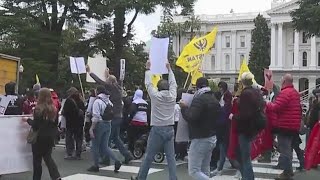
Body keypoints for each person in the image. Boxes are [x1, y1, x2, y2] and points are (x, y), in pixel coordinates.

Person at [131, 61, 177, 180]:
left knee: (148, 156)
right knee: (171, 158)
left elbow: (148, 84)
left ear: (159, 88)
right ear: (168, 87)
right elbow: (174, 84)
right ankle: (173, 178)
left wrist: (148, 69)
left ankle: (141, 178)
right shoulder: (173, 96)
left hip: (157, 128)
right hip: (170, 128)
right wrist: (169, 70)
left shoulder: (155, 96)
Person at [87, 65, 133, 164]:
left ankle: (106, 158)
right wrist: (108, 75)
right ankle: (127, 154)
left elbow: (99, 81)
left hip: (113, 116)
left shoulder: (111, 87)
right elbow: (110, 81)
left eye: (107, 81)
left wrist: (90, 72)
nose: (106, 84)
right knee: (116, 138)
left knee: (106, 139)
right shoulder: (118, 87)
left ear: (110, 83)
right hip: (119, 116)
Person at [180, 77, 221, 180]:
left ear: (197, 87)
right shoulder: (214, 98)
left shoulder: (199, 99)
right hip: (211, 137)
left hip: (200, 138)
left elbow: (191, 117)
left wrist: (184, 107)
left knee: (193, 170)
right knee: (205, 168)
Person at [266, 74, 302, 180]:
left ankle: (287, 173)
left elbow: (276, 107)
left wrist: (267, 103)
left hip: (285, 125)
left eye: (282, 80)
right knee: (288, 149)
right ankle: (288, 171)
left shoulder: (285, 93)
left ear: (284, 81)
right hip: (292, 125)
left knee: (285, 150)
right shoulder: (295, 92)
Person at [230, 72, 264, 180]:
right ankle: (248, 177)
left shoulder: (246, 94)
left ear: (243, 82)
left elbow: (246, 113)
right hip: (253, 127)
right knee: (244, 157)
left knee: (245, 158)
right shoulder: (256, 92)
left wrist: (233, 116)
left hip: (245, 128)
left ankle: (248, 178)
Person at [22, 88, 61, 180]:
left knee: (37, 160)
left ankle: (37, 178)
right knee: (48, 158)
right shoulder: (54, 109)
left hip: (39, 137)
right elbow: (55, 124)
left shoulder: (38, 109)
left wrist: (27, 120)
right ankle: (56, 176)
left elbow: (36, 125)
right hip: (50, 137)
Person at [87, 85, 122, 172]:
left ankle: (95, 165)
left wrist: (91, 128)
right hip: (108, 124)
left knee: (94, 146)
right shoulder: (108, 101)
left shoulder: (97, 101)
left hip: (99, 124)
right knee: (105, 146)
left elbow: (96, 117)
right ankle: (117, 160)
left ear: (98, 91)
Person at [211, 81, 233, 176]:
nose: (219, 88)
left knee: (222, 145)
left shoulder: (226, 96)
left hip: (223, 124)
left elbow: (226, 109)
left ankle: (219, 167)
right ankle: (220, 166)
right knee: (223, 146)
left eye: (220, 87)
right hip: (224, 124)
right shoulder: (224, 95)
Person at [61, 87, 85, 160]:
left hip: (70, 122)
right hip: (79, 123)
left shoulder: (68, 101)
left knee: (69, 138)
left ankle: (69, 153)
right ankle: (78, 154)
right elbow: (83, 110)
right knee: (78, 139)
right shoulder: (81, 101)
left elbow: (65, 112)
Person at [127, 89, 149, 154]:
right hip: (144, 124)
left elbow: (131, 113)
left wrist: (128, 122)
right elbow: (148, 114)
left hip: (135, 124)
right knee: (142, 137)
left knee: (132, 138)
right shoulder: (146, 103)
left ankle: (132, 151)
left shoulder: (135, 103)